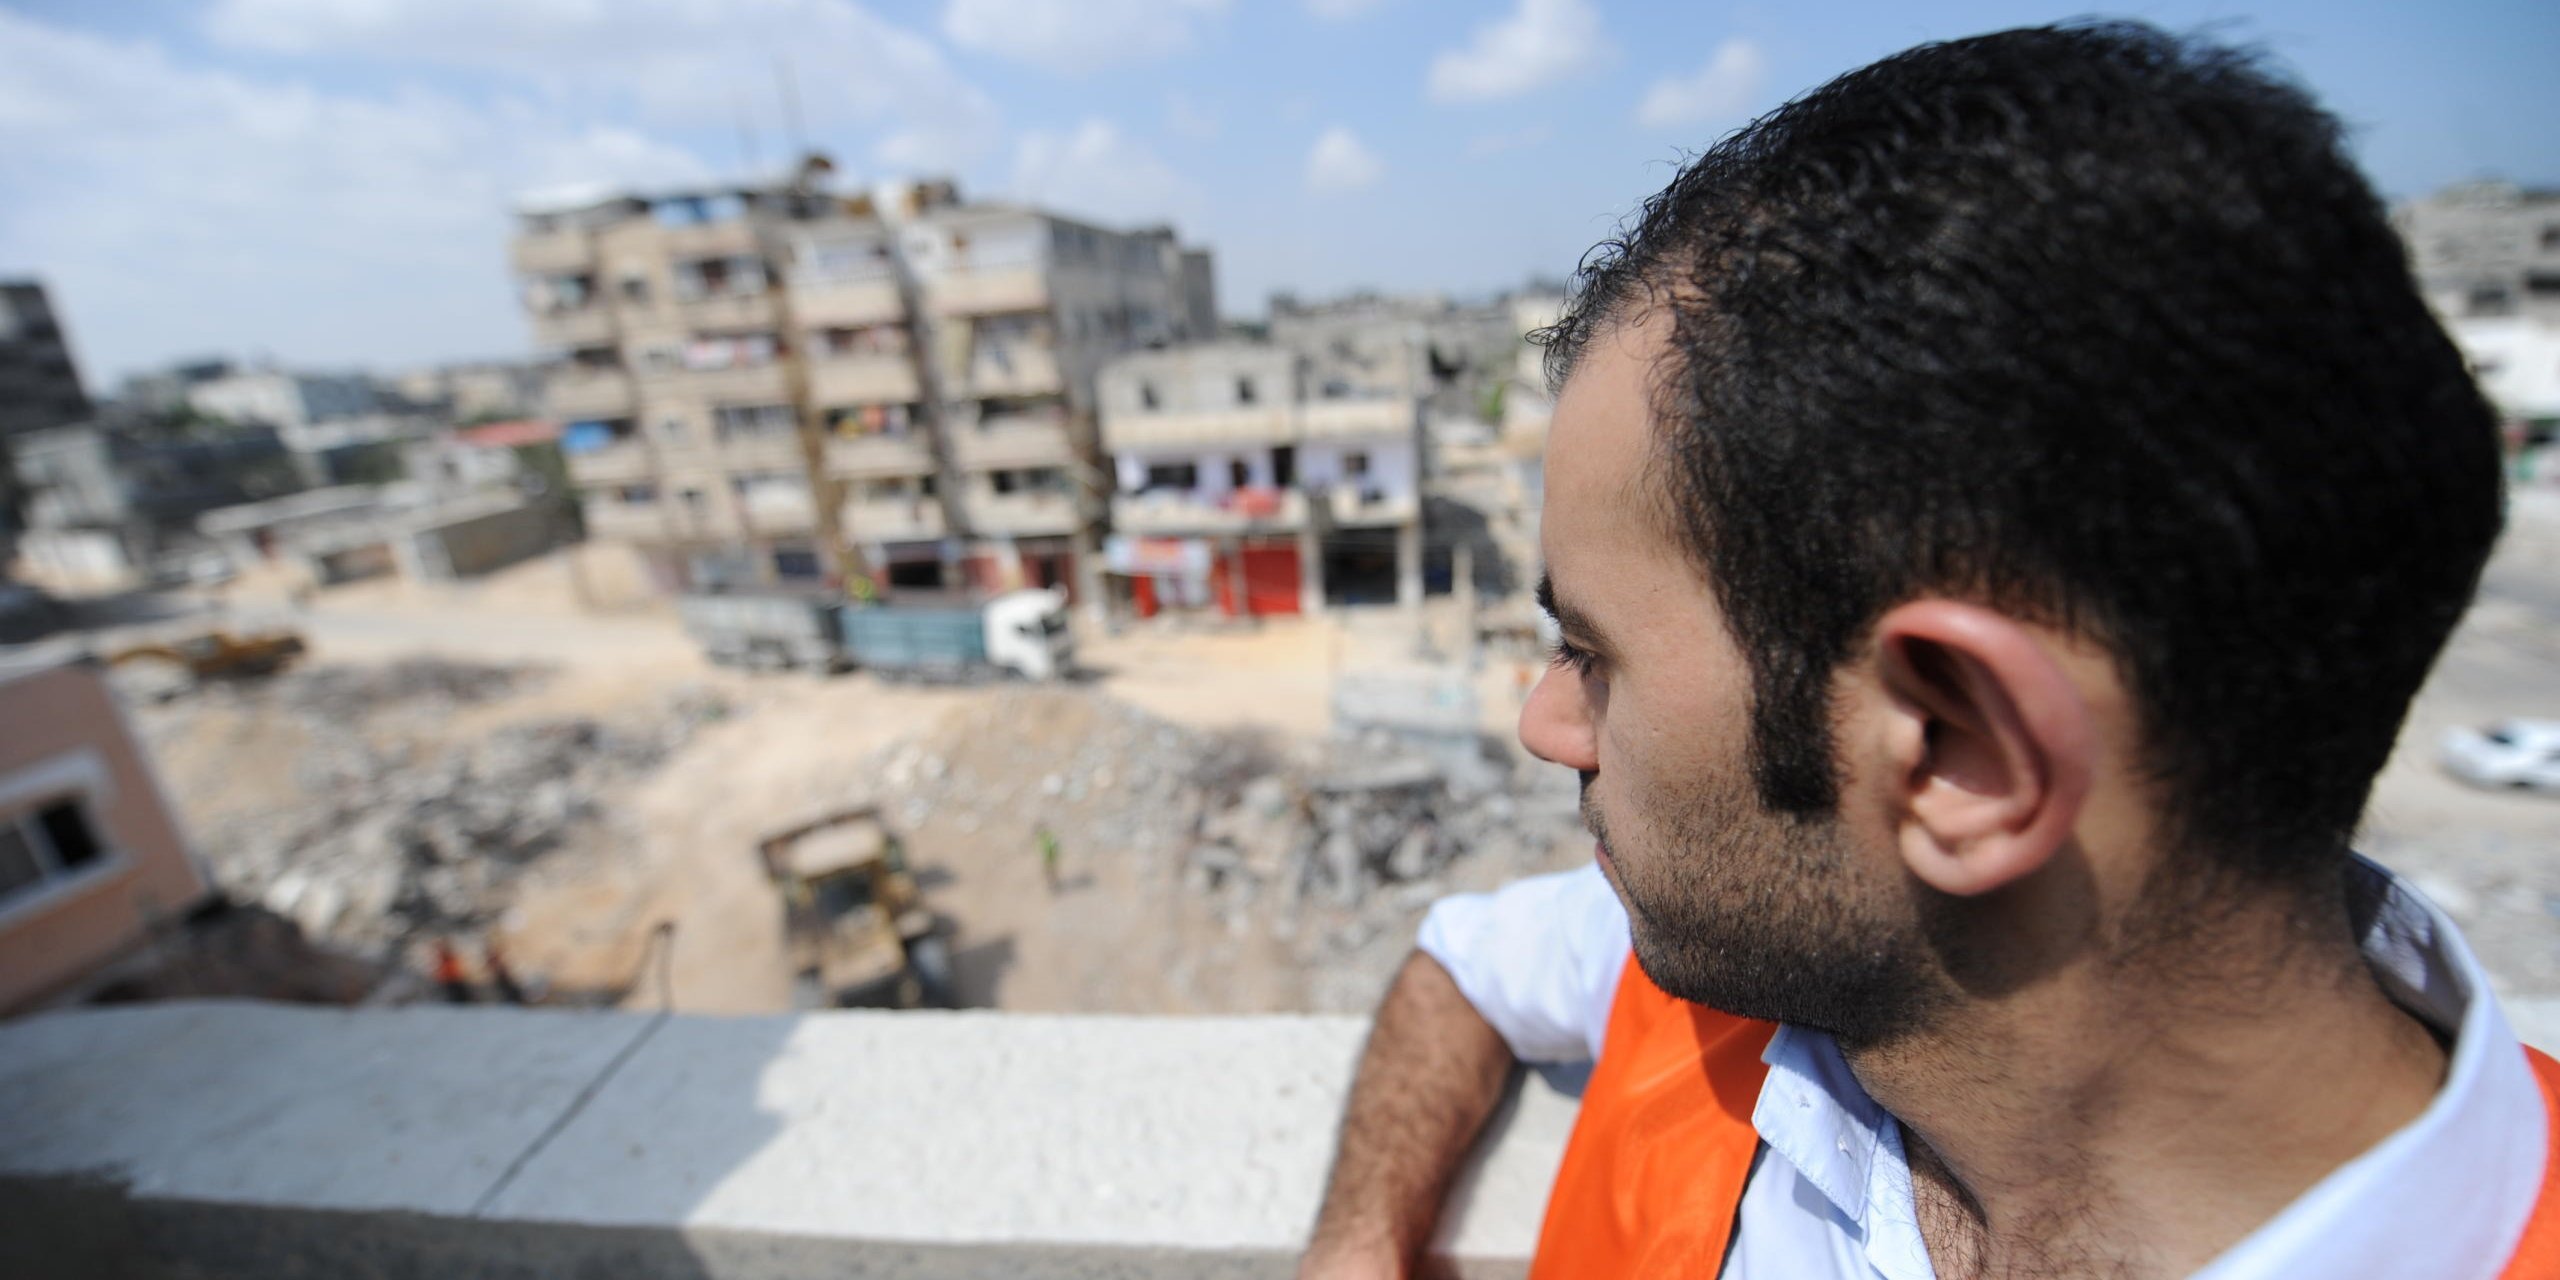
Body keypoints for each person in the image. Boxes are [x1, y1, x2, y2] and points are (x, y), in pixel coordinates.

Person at [1300, 22, 2555, 1280]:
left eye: (1591, 651)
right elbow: (1469, 963)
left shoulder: (1771, 918)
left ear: (1960, 750)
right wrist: (1357, 1243)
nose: (1544, 723)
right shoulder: (1745, 958)